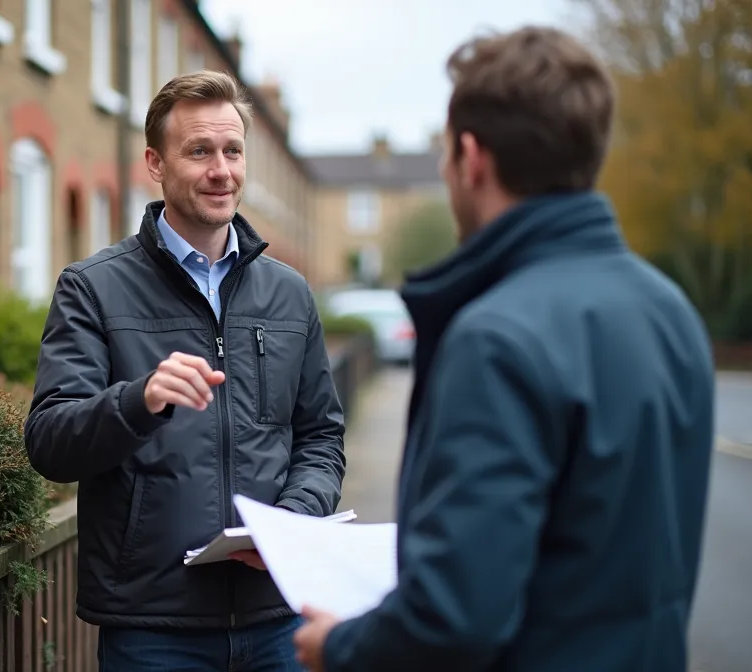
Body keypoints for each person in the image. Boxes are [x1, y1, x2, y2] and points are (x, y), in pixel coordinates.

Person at [293, 26, 715, 672]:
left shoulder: (497, 338)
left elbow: (453, 620)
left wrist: (340, 648)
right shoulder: (671, 310)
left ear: (472, 157)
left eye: (444, 155)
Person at [24, 70, 346, 670]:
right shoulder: (92, 289)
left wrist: (294, 521)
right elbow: (49, 441)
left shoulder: (290, 295)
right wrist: (137, 400)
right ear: (155, 162)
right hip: (154, 628)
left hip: (281, 615)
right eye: (199, 151)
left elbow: (321, 436)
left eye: (232, 150)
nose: (221, 170)